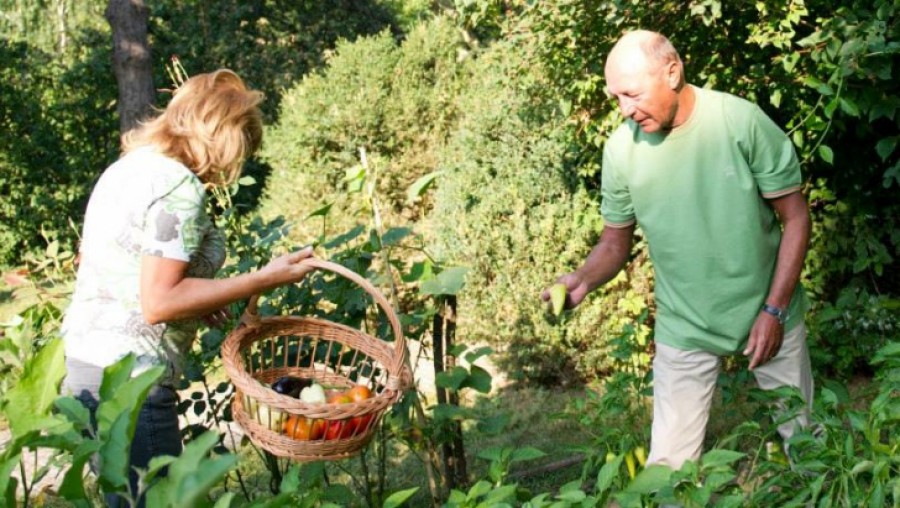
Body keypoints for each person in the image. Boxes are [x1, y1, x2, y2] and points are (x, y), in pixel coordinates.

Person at [542, 30, 814, 470]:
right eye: (616, 98)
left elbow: (797, 218)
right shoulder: (620, 150)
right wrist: (583, 279)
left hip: (768, 311)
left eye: (631, 94)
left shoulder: (739, 122)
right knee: (668, 470)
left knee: (808, 448)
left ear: (672, 73)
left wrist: (775, 310)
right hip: (684, 323)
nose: (625, 110)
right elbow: (615, 241)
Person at [61, 69, 314, 506]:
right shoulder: (179, 186)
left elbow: (113, 269)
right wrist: (264, 278)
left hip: (84, 371)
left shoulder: (127, 170)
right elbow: (158, 302)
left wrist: (196, 300)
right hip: (131, 385)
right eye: (244, 140)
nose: (242, 156)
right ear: (221, 131)